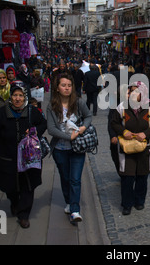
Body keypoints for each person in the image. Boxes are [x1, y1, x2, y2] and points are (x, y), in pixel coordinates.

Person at [0, 85, 47, 229]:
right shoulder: (1, 114)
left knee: (28, 186)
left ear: (25, 97)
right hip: (8, 156)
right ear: (10, 97)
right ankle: (14, 202)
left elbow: (44, 123)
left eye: (21, 96)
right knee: (9, 186)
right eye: (15, 95)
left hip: (28, 157)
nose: (18, 99)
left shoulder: (32, 111)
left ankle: (24, 215)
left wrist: (34, 131)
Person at [47, 73, 92, 225]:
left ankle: (75, 210)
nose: (67, 88)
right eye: (63, 85)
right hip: (60, 149)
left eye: (69, 85)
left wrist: (82, 128)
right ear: (57, 88)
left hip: (77, 148)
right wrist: (68, 137)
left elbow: (88, 116)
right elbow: (51, 129)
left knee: (75, 179)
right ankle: (69, 201)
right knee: (65, 178)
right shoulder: (52, 106)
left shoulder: (78, 102)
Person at [110, 81, 150, 215]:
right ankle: (127, 203)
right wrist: (123, 132)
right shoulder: (122, 106)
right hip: (127, 148)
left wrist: (145, 134)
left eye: (136, 91)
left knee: (142, 176)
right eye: (131, 91)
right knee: (127, 177)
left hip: (145, 147)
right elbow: (114, 122)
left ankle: (139, 201)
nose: (133, 94)